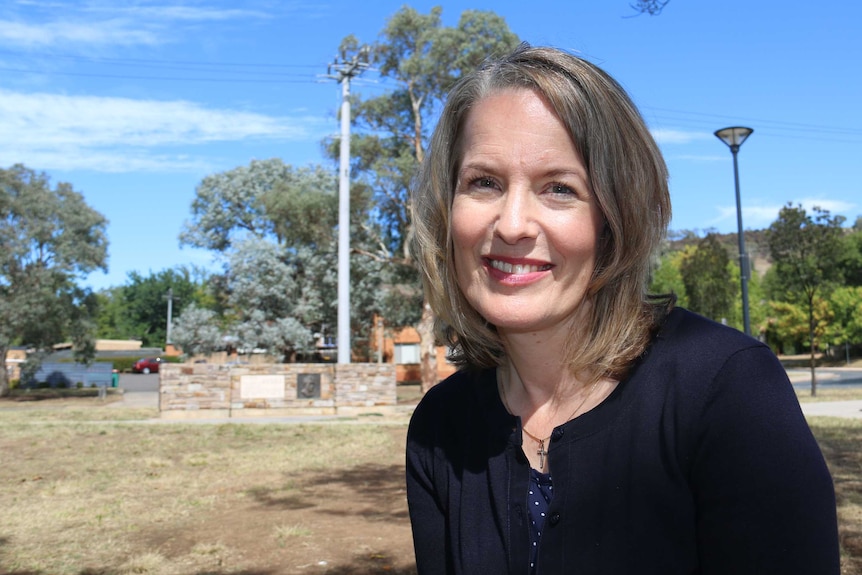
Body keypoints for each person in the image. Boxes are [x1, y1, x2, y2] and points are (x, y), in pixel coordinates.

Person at [406, 43, 839, 575]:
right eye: (484, 183)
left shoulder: (727, 391)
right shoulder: (440, 428)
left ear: (615, 219)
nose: (512, 223)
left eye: (559, 188)